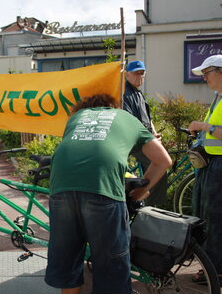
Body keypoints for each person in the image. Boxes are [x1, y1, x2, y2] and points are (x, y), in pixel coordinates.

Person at [45, 94, 171, 294]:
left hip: (61, 186)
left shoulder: (76, 118)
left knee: (68, 256)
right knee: (111, 261)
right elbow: (164, 160)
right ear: (113, 107)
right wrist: (140, 191)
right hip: (102, 187)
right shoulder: (127, 117)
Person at [188, 54, 222, 287]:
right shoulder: (220, 97)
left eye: (207, 73)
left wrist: (205, 126)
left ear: (221, 72)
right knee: (210, 217)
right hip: (214, 165)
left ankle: (219, 272)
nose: (205, 79)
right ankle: (213, 267)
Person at [123, 60, 167, 206]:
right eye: (136, 74)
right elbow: (130, 121)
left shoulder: (138, 93)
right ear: (127, 75)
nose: (139, 77)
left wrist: (154, 133)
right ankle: (152, 207)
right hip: (136, 141)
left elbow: (148, 118)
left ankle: (147, 202)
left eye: (142, 74)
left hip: (145, 139)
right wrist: (149, 138)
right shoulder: (125, 93)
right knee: (159, 165)